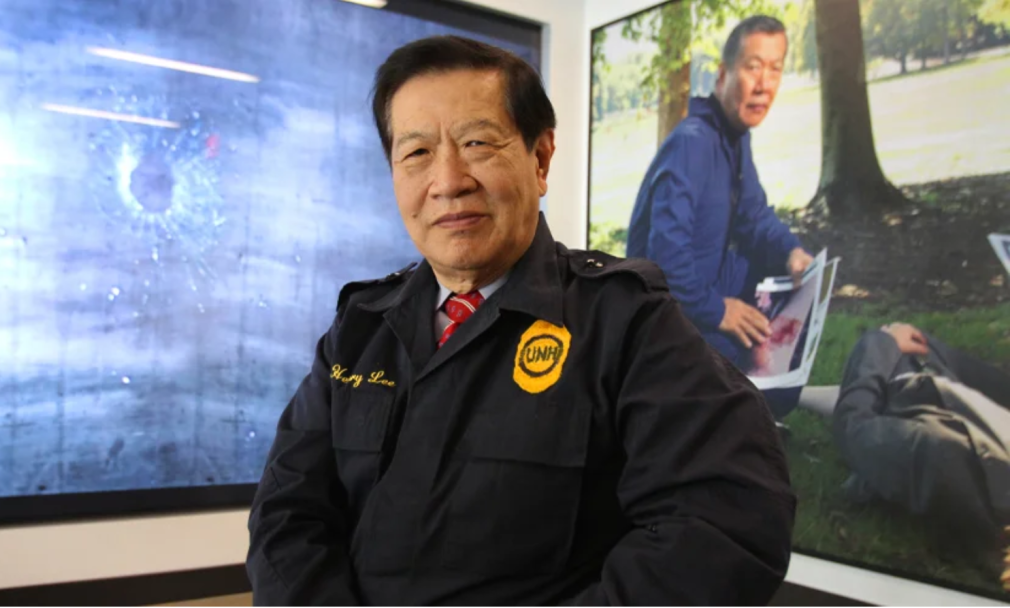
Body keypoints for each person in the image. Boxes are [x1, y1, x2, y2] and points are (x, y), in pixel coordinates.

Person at [246, 35, 794, 605]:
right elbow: (286, 515)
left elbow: (731, 517)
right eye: (417, 153)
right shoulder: (360, 330)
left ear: (540, 158)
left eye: (477, 143)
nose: (448, 181)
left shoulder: (625, 321)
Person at [626, 15, 812, 418]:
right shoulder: (692, 144)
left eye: (775, 69)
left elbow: (754, 216)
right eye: (753, 67)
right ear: (724, 75)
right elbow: (663, 261)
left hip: (702, 296)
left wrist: (792, 252)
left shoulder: (734, 138)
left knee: (786, 289)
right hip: (664, 321)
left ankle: (759, 401)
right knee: (756, 379)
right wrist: (719, 310)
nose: (764, 84)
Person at [833, 323, 1010, 584]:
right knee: (915, 342)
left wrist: (880, 343)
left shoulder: (943, 457)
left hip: (911, 394)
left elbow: (852, 427)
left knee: (895, 342)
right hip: (948, 395)